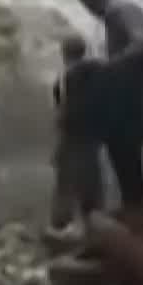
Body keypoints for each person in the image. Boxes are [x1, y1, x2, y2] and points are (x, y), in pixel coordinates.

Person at [76, 0, 143, 212]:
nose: (92, 13)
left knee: (125, 146)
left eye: (90, 7)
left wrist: (109, 66)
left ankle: (136, 203)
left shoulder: (122, 11)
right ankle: (133, 202)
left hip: (134, 91)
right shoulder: (116, 15)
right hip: (127, 90)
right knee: (121, 146)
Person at [49, 34, 106, 231]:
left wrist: (60, 132)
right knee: (92, 182)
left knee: (65, 183)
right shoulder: (99, 73)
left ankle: (60, 225)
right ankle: (95, 224)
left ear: (64, 53)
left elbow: (62, 110)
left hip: (71, 137)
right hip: (92, 137)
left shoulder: (64, 79)